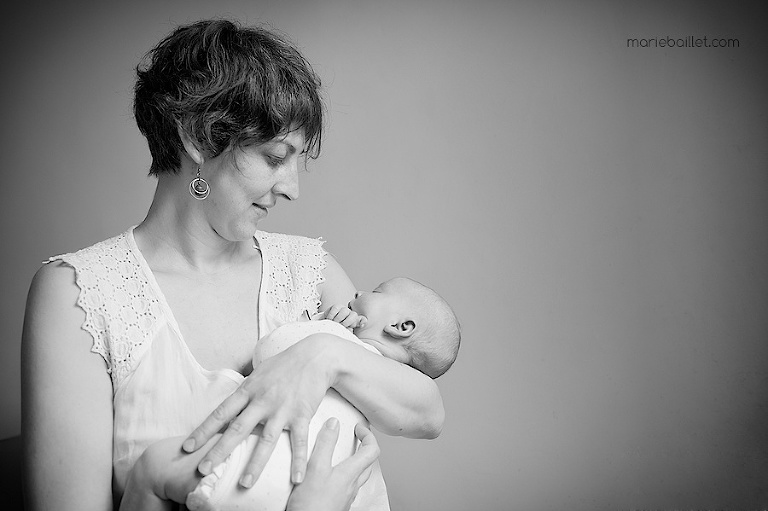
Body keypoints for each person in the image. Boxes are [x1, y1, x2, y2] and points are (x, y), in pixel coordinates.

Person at [21, 19, 445, 511]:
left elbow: (426, 412)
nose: (293, 188)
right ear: (199, 139)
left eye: (297, 160)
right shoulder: (79, 294)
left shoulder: (309, 271)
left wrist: (321, 356)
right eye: (274, 157)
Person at [183, 277, 461, 510]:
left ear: (401, 327)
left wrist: (322, 323)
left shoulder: (335, 335)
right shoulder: (384, 390)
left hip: (259, 472)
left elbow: (269, 351)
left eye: (376, 292)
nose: (359, 292)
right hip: (322, 489)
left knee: (155, 465)